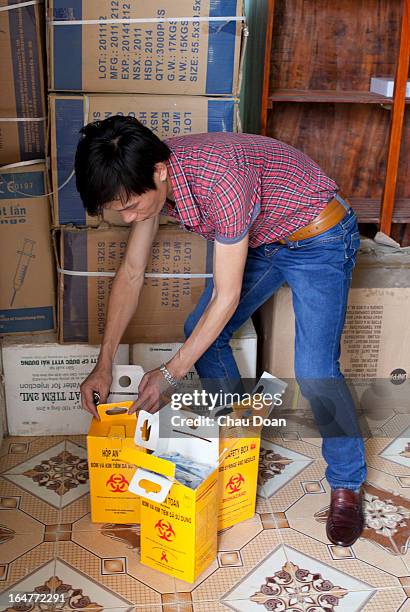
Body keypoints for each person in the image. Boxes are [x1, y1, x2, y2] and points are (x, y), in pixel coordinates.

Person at [76, 116, 366, 547]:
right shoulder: (145, 177)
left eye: (132, 207)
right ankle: (232, 435)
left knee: (314, 369)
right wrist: (103, 364)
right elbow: (132, 272)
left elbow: (226, 297)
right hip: (265, 237)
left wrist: (170, 373)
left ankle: (347, 482)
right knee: (201, 331)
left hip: (317, 236)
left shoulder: (220, 180)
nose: (129, 216)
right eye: (120, 211)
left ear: (160, 172)